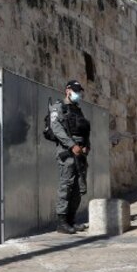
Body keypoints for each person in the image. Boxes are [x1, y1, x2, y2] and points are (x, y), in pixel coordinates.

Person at [48, 80, 92, 234]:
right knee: (66, 186)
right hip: (67, 152)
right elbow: (56, 128)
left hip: (80, 153)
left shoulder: (77, 110)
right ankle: (62, 222)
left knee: (78, 188)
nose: (78, 93)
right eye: (75, 91)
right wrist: (72, 145)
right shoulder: (58, 107)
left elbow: (84, 131)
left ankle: (71, 220)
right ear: (67, 90)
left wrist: (86, 145)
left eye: (79, 91)